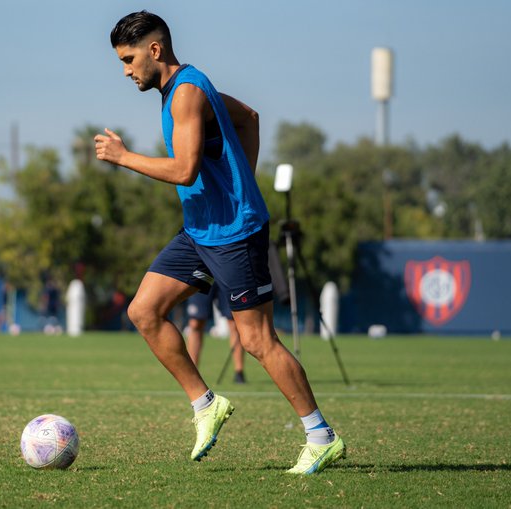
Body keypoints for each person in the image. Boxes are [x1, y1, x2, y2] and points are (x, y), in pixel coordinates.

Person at [95, 11, 345, 474]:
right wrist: (239, 180)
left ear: (155, 50)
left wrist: (125, 157)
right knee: (143, 311)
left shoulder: (187, 93)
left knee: (257, 340)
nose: (126, 71)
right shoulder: (183, 90)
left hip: (234, 234)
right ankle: (205, 404)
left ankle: (320, 434)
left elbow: (185, 170)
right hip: (200, 229)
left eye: (129, 60)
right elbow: (249, 117)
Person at [185, 282, 246, 384]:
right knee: (195, 323)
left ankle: (239, 372)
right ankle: (192, 373)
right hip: (203, 272)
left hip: (225, 273)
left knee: (234, 323)